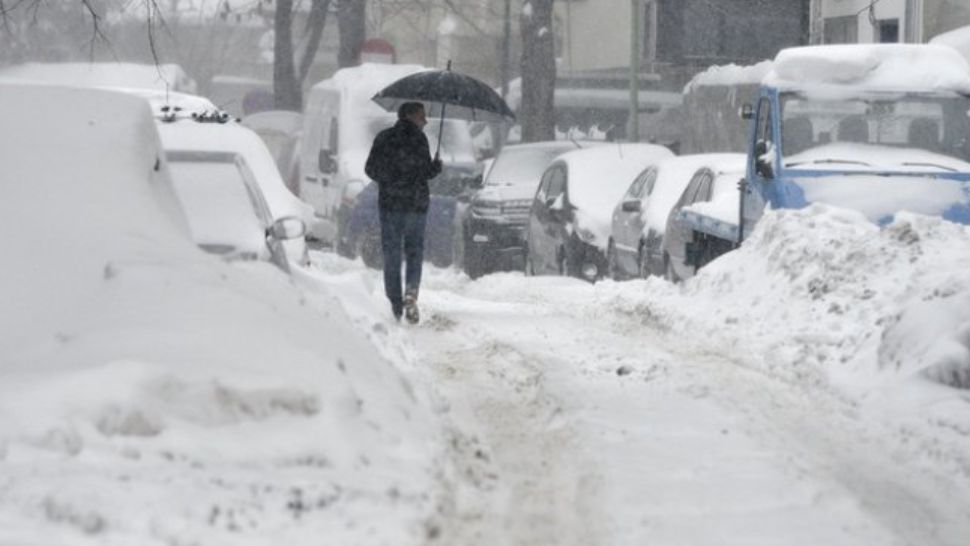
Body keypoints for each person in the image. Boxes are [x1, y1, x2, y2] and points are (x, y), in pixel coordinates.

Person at [364, 102, 442, 324]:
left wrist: (390, 179)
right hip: (416, 206)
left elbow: (370, 169)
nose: (425, 121)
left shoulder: (384, 138)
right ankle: (411, 292)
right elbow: (425, 172)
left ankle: (395, 304)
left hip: (390, 205)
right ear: (409, 115)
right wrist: (435, 167)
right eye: (421, 116)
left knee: (391, 253)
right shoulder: (419, 140)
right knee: (415, 251)